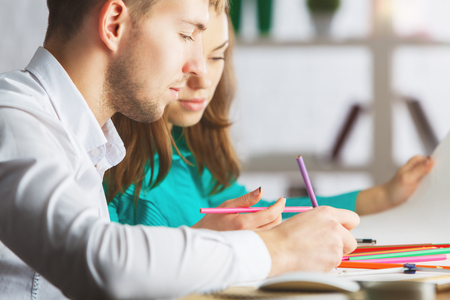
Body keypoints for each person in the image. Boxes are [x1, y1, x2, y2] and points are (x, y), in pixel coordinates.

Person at [0, 0, 360, 299]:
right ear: (113, 24)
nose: (198, 68)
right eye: (186, 34)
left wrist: (200, 238)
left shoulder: (86, 142)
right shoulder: (11, 119)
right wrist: (280, 249)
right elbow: (102, 264)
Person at [106, 5, 434, 230]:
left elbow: (262, 215)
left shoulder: (188, 155)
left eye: (217, 55)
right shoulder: (100, 172)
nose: (203, 78)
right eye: (183, 51)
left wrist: (384, 196)